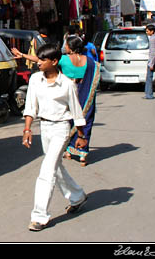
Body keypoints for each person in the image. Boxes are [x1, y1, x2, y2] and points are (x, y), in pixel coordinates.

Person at [22, 43, 88, 231]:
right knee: (55, 167)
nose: (39, 63)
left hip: (61, 129)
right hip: (45, 127)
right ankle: (77, 196)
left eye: (43, 60)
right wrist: (27, 130)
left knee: (47, 170)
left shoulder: (67, 84)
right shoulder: (35, 79)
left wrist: (81, 136)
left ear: (54, 61)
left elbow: (76, 112)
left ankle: (39, 216)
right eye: (39, 58)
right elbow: (30, 107)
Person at [60, 35, 101, 167]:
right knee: (86, 120)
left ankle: (69, 151)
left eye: (65, 45)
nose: (64, 47)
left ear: (70, 47)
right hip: (85, 92)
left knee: (70, 121)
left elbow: (43, 60)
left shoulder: (63, 59)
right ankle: (83, 154)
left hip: (70, 93)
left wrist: (23, 55)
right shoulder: (89, 61)